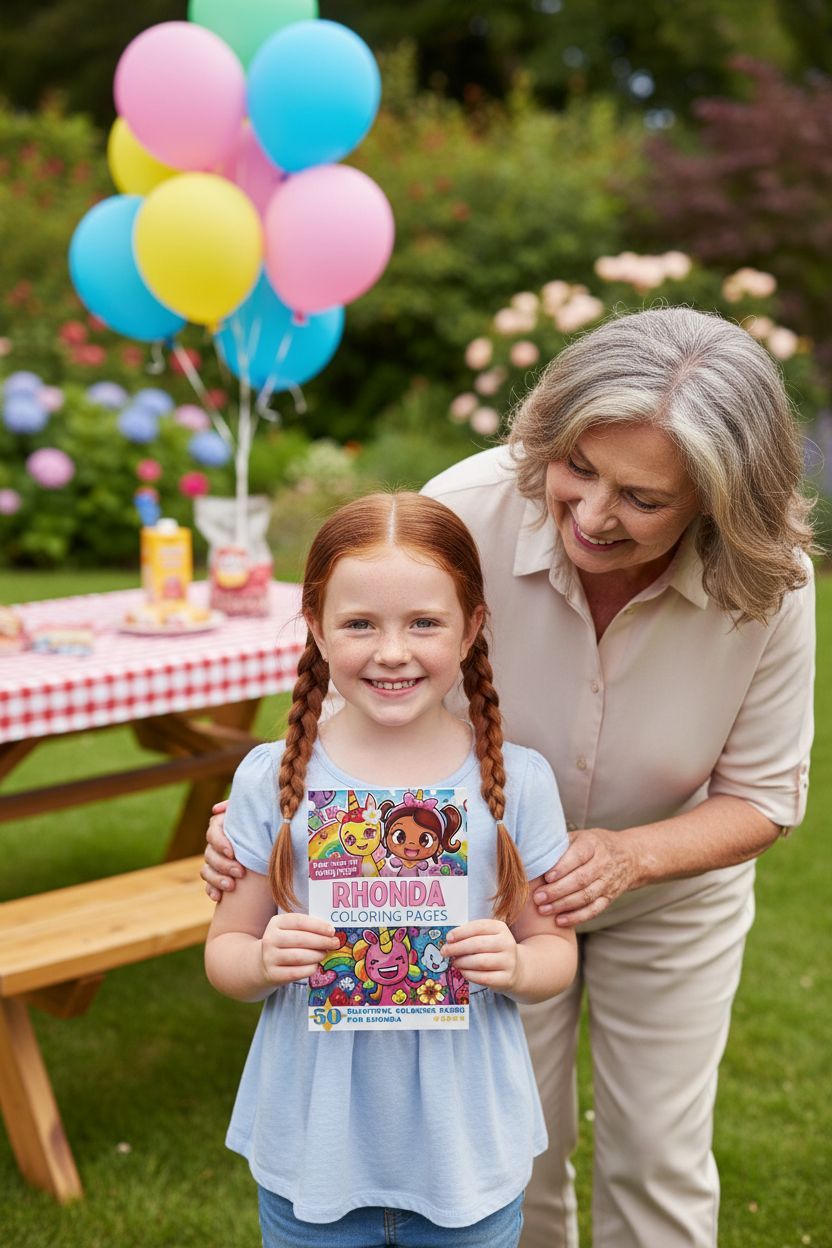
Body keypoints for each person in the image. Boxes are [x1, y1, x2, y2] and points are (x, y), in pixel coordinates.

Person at [203, 307, 816, 1248]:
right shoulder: (469, 509)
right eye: (580, 468)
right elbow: (365, 680)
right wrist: (263, 821)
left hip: (667, 894)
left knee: (657, 1153)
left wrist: (627, 857)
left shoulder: (766, 586)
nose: (593, 514)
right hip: (469, 896)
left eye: (644, 499)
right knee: (504, 1148)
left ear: (716, 503)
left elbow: (765, 797)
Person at [204, 491, 578, 1248]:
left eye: (424, 623)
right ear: (315, 625)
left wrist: (514, 962)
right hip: (314, 1142)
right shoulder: (270, 777)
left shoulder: (520, 781)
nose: (392, 651)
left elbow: (555, 953)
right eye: (359, 624)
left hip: (463, 1145)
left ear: (472, 628)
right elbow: (225, 953)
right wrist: (264, 959)